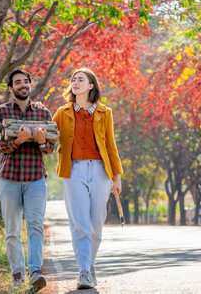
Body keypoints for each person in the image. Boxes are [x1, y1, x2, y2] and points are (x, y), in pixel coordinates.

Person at [53, 68, 123, 289]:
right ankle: (83, 271)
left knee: (96, 225)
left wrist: (117, 177)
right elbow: (48, 134)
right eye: (73, 79)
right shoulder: (62, 112)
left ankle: (90, 263)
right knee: (80, 224)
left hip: (101, 172)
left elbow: (111, 146)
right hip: (73, 171)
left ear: (91, 85)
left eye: (80, 79)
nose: (75, 82)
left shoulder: (105, 112)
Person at [0, 69, 54, 291]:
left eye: (25, 81)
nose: (23, 85)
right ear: (11, 88)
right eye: (17, 82)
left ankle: (35, 272)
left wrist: (40, 141)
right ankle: (17, 276)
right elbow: (0, 147)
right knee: (12, 230)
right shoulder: (0, 112)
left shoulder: (43, 112)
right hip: (9, 179)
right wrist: (18, 140)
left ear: (30, 85)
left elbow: (49, 149)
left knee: (36, 226)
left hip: (36, 178)